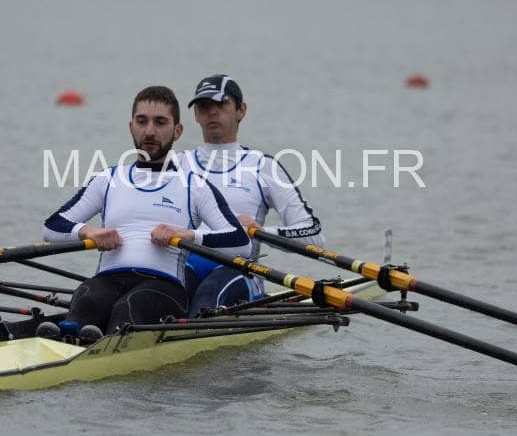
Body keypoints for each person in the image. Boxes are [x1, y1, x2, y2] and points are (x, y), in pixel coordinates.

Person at [41, 85, 251, 341]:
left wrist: (187, 236)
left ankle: (94, 346)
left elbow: (241, 243)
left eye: (160, 122)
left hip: (164, 288)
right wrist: (89, 232)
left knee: (128, 308)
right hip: (108, 280)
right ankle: (70, 342)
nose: (149, 131)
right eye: (142, 121)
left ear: (177, 131)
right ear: (131, 127)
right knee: (87, 300)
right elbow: (51, 227)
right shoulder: (108, 179)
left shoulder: (194, 186)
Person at [182, 74, 326, 317]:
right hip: (187, 265)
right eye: (204, 105)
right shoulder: (177, 165)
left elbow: (315, 236)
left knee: (207, 297)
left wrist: (261, 231)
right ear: (196, 115)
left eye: (221, 104)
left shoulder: (263, 166)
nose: (212, 112)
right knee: (161, 293)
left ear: (241, 110)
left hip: (241, 270)